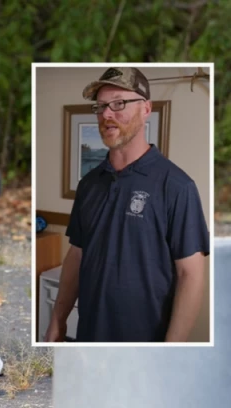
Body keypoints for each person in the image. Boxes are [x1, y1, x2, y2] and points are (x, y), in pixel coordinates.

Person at [45, 67, 210, 342]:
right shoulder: (89, 185)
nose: (106, 114)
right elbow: (77, 255)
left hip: (146, 344)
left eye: (119, 103)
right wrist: (58, 321)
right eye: (100, 106)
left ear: (146, 109)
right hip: (89, 335)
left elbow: (190, 275)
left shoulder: (177, 186)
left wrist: (172, 350)